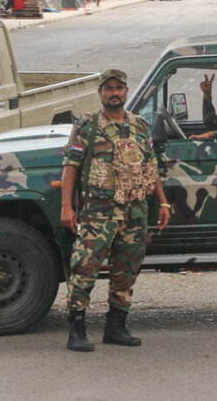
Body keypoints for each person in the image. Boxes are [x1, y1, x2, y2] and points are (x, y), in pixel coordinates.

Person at [59, 68, 172, 352]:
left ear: (125, 91)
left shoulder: (140, 125)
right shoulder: (88, 125)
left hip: (134, 211)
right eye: (108, 88)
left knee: (127, 270)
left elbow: (151, 168)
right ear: (100, 92)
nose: (113, 93)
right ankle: (76, 330)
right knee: (84, 269)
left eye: (118, 88)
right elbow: (71, 166)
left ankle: (116, 327)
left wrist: (163, 202)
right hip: (99, 212)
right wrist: (67, 207)